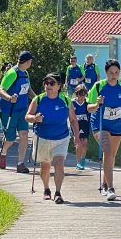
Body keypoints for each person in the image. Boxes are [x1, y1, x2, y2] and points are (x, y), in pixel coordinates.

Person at [25, 74, 81, 204]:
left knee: (59, 164)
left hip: (61, 137)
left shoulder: (66, 101)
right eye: (46, 83)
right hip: (42, 137)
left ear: (59, 86)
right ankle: (46, 189)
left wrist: (77, 137)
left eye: (52, 83)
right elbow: (27, 116)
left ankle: (58, 192)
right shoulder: (38, 99)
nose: (48, 85)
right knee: (45, 167)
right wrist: (35, 118)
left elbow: (73, 120)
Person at [87, 59, 121, 201]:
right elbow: (88, 108)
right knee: (107, 152)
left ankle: (104, 183)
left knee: (111, 156)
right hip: (100, 124)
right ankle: (110, 188)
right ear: (106, 72)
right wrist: (97, 104)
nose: (114, 75)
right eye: (111, 73)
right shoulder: (98, 86)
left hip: (117, 124)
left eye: (116, 72)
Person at [0, 51, 35, 173]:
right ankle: (2, 152)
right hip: (9, 111)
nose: (31, 63)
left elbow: (28, 90)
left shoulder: (26, 74)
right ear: (27, 61)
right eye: (31, 61)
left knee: (24, 135)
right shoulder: (12, 73)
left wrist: (37, 100)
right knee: (11, 139)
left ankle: (20, 164)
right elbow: (1, 90)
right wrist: (9, 98)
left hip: (22, 110)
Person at [71, 84, 91, 170]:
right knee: (78, 143)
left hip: (85, 123)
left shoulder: (87, 103)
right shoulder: (72, 103)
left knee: (85, 142)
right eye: (80, 94)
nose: (82, 97)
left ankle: (83, 159)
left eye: (84, 94)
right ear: (76, 94)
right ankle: (78, 162)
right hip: (76, 124)